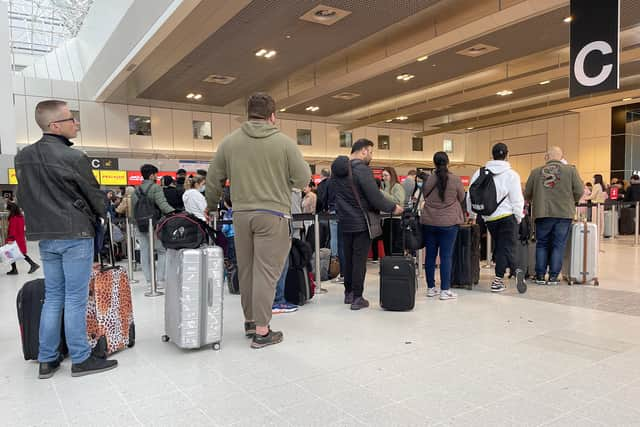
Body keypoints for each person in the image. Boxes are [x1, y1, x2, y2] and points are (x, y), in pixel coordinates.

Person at [14, 99, 117, 378]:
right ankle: (82, 359)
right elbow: (93, 195)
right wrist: (103, 211)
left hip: (45, 236)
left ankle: (47, 359)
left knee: (54, 297)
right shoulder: (74, 157)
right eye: (71, 119)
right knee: (75, 298)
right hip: (75, 234)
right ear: (55, 125)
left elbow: (23, 196)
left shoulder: (23, 157)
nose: (77, 123)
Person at [205, 92, 310, 349]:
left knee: (248, 269)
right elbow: (303, 179)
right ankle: (263, 331)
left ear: (248, 114)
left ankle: (250, 321)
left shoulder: (229, 143)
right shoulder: (284, 143)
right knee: (266, 273)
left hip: (241, 216)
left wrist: (211, 206)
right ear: (272, 116)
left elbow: (212, 178)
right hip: (273, 215)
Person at [330, 139, 403, 310]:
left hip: (344, 221)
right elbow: (374, 196)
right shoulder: (362, 170)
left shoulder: (338, 171)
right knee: (359, 261)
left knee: (347, 259)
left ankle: (348, 293)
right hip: (362, 222)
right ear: (363, 151)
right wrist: (393, 207)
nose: (371, 155)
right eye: (371, 152)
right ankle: (357, 298)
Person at [467, 143, 524, 292]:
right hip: (507, 216)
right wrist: (518, 216)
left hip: (489, 218)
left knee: (500, 247)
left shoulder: (479, 172)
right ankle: (515, 270)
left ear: (492, 155)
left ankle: (499, 279)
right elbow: (517, 199)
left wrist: (473, 214)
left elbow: (470, 195)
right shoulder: (512, 174)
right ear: (507, 155)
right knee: (509, 247)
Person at [524, 146, 583, 285]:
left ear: (546, 157)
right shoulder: (571, 170)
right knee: (559, 245)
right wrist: (572, 201)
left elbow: (527, 193)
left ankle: (539, 276)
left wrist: (535, 199)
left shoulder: (536, 172)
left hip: (542, 213)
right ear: (561, 157)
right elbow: (579, 190)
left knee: (542, 244)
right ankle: (553, 277)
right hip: (564, 214)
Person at [421, 152, 465, 300]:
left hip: (429, 222)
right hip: (449, 223)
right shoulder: (455, 179)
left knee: (430, 256)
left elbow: (425, 195)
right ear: (448, 162)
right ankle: (445, 290)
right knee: (446, 256)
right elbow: (462, 197)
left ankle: (430, 288)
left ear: (434, 163)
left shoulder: (429, 180)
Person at [132, 164, 175, 287]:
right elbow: (163, 205)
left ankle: (150, 281)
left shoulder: (136, 189)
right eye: (156, 174)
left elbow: (133, 210)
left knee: (145, 253)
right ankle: (160, 280)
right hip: (155, 224)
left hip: (140, 225)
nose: (157, 177)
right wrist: (174, 213)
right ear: (151, 175)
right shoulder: (156, 187)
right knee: (161, 251)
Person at [5, 202, 40, 275]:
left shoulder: (14, 218)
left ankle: (32, 265)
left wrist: (10, 239)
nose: (8, 212)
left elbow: (13, 229)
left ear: (11, 210)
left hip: (15, 239)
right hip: (20, 238)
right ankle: (15, 269)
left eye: (8, 210)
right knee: (15, 253)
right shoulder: (20, 217)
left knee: (15, 253)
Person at [381, 167, 406, 257]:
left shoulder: (397, 186)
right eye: (383, 175)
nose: (384, 177)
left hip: (395, 220)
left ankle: (396, 266)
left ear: (392, 175)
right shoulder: (386, 188)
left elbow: (398, 201)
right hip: (386, 219)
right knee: (387, 246)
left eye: (386, 175)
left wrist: (383, 194)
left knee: (394, 246)